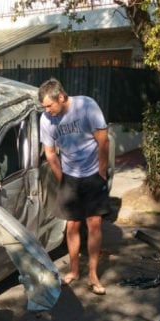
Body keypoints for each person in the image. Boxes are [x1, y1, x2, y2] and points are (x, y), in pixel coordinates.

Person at [38, 78, 110, 295]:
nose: (47, 111)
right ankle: (74, 270)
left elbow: (103, 141)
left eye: (49, 105)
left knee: (94, 224)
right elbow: (50, 152)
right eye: (44, 107)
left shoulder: (86, 106)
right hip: (70, 175)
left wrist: (102, 172)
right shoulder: (46, 119)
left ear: (61, 97)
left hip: (93, 173)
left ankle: (93, 275)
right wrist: (63, 178)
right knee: (72, 226)